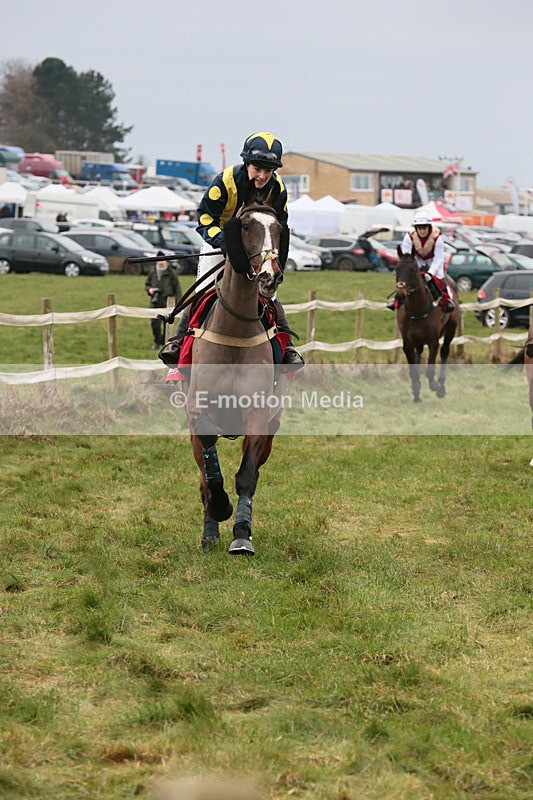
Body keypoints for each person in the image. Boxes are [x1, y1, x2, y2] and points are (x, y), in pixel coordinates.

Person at [169, 131, 304, 370]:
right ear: (246, 163)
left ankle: (288, 347)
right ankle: (178, 343)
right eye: (257, 169)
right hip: (220, 243)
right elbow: (205, 218)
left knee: (270, 292)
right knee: (202, 289)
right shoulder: (225, 181)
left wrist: (275, 257)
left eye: (268, 170)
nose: (262, 176)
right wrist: (224, 243)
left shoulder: (278, 189)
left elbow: (280, 227)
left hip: (257, 248)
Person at [386, 211, 455, 311]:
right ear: (416, 228)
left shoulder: (437, 237)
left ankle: (446, 301)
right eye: (419, 228)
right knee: (405, 279)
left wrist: (430, 273)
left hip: (433, 261)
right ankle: (397, 300)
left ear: (429, 227)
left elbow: (438, 258)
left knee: (440, 277)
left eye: (424, 228)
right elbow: (407, 257)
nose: (422, 231)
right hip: (417, 260)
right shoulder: (409, 236)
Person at [145, 252, 182, 348]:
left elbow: (177, 289)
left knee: (167, 324)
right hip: (155, 300)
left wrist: (178, 303)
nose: (161, 262)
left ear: (166, 261)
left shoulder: (171, 273)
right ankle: (157, 341)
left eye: (162, 260)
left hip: (167, 301)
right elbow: (147, 284)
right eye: (159, 260)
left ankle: (166, 342)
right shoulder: (152, 271)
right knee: (154, 323)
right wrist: (150, 290)